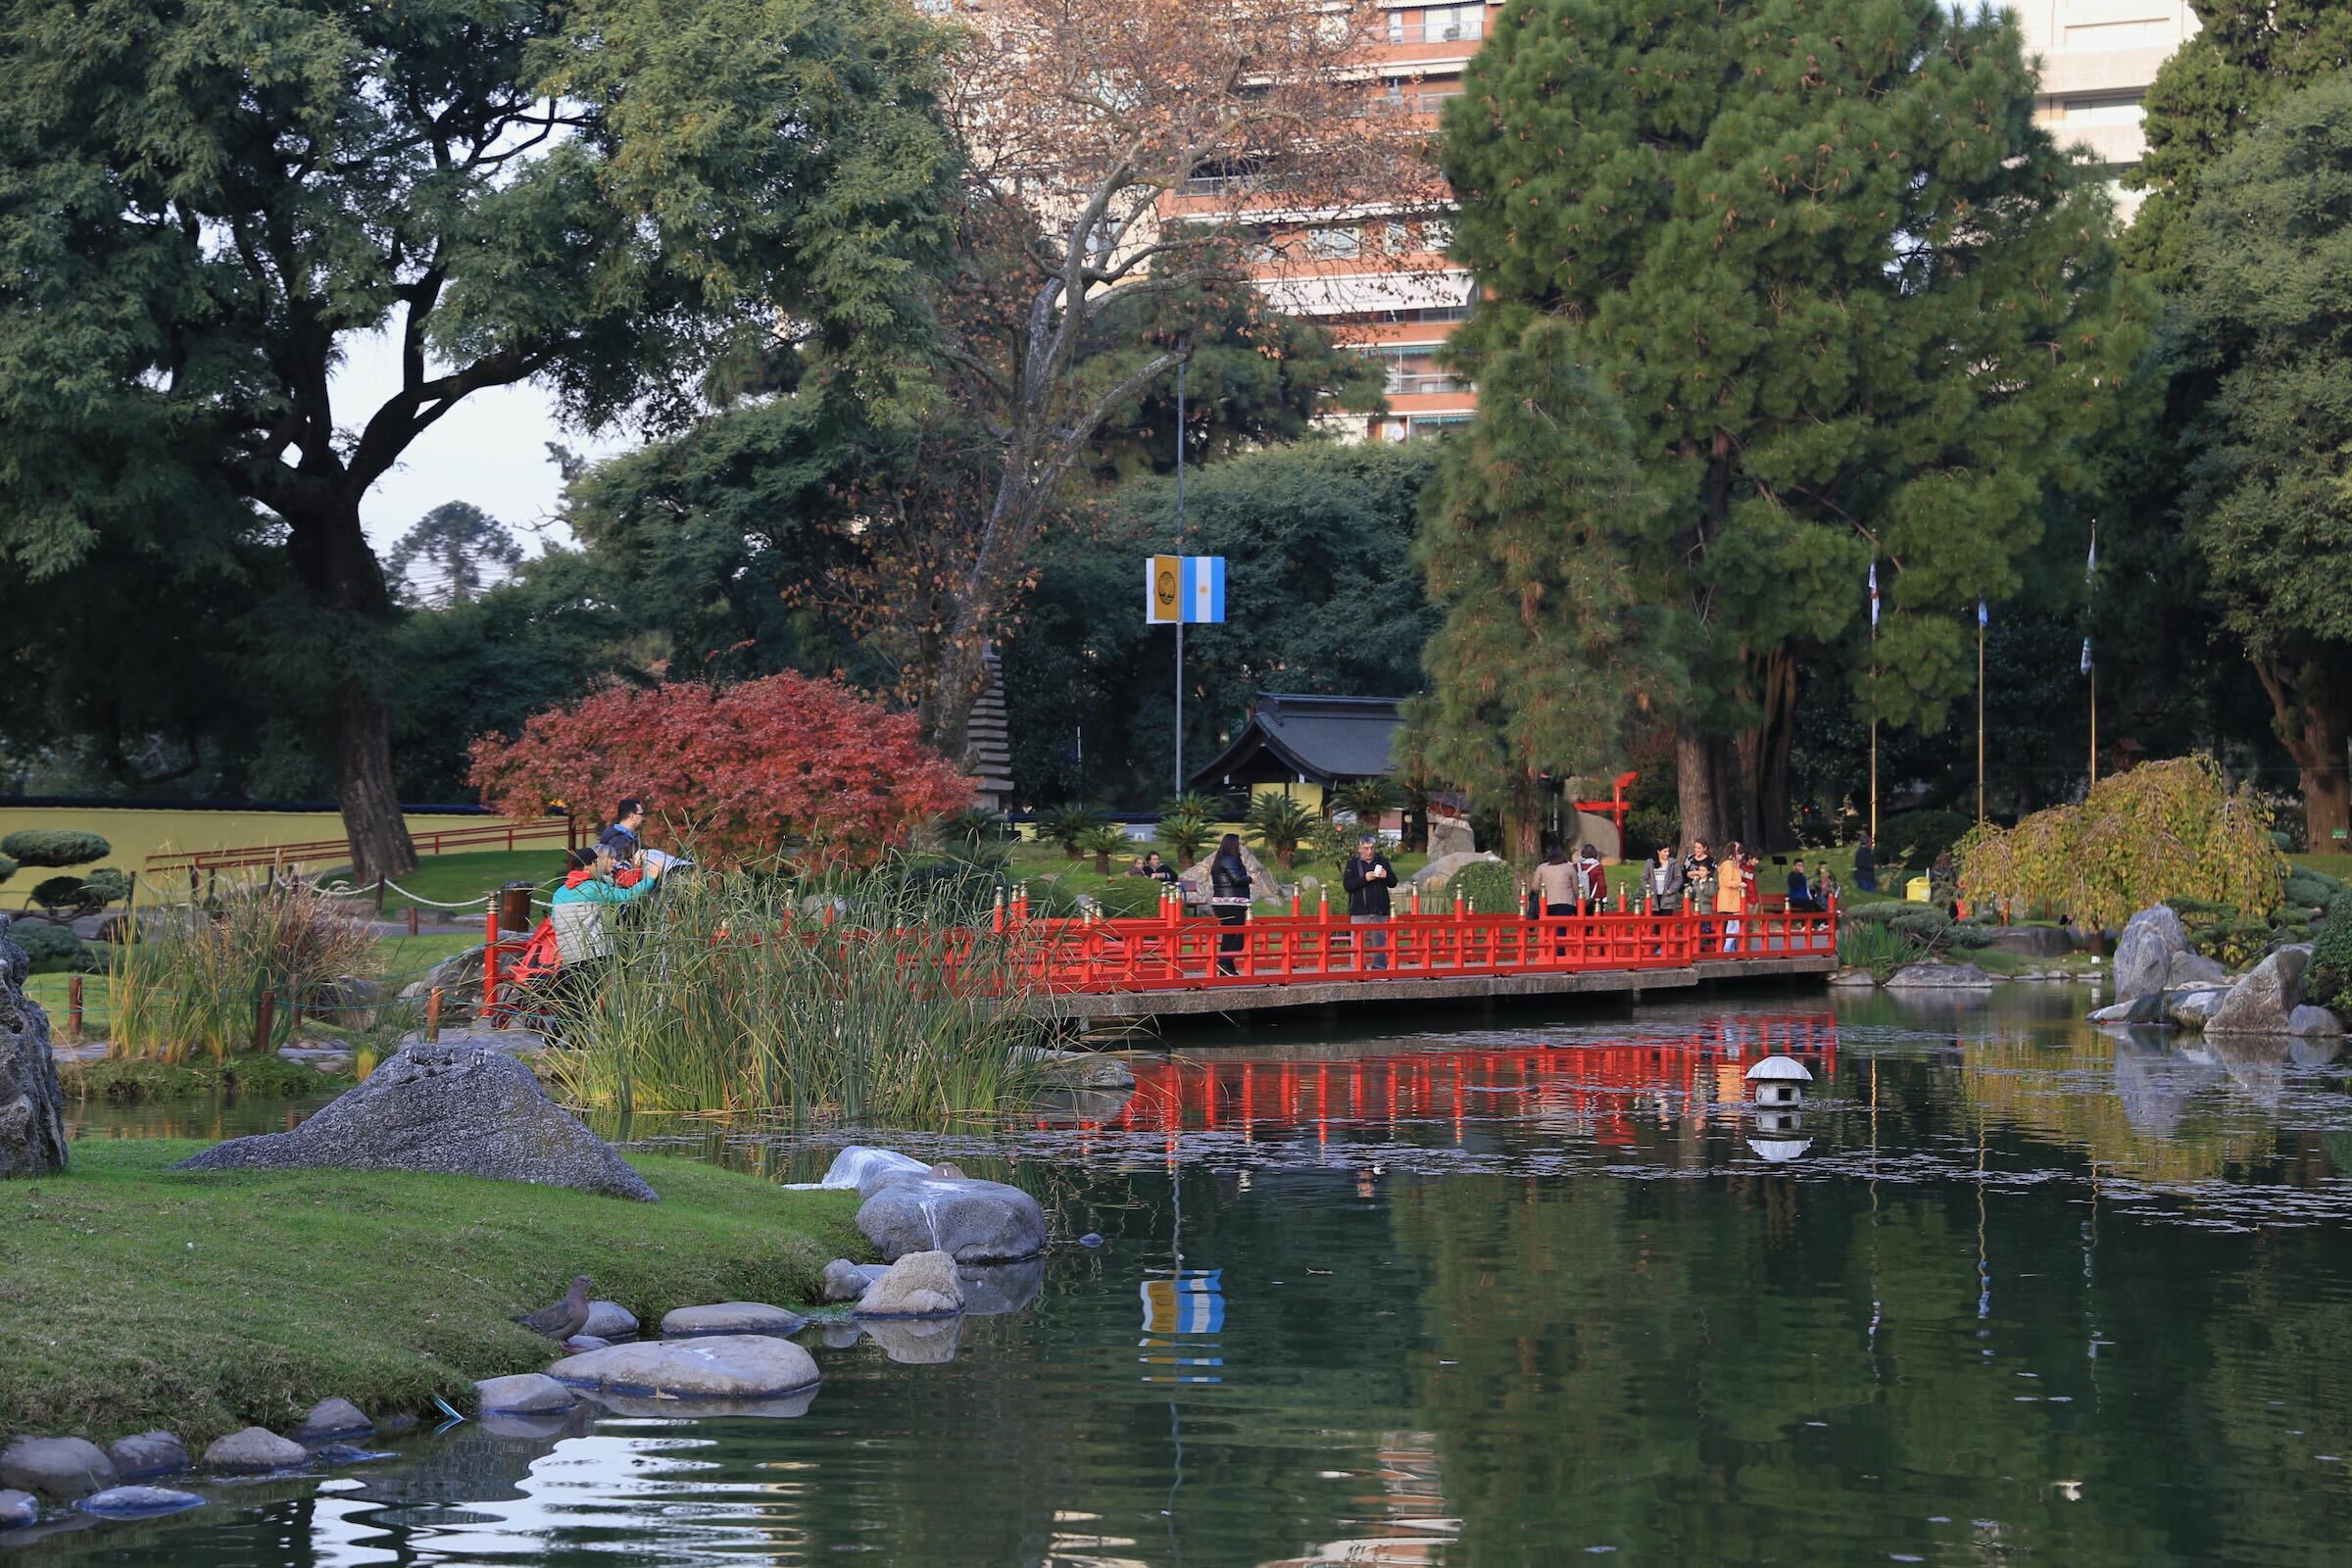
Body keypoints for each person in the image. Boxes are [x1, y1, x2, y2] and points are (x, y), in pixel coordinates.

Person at [547, 844, 665, 997]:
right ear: (590, 865)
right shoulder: (593, 888)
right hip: (594, 955)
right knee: (597, 999)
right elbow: (626, 897)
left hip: (570, 955)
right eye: (596, 863)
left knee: (579, 1001)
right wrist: (650, 879)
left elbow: (554, 921)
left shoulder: (559, 892)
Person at [1342, 832, 1397, 972]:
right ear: (1359, 849)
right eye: (1366, 848)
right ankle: (1358, 969)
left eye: (1372, 848)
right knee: (1357, 943)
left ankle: (1379, 969)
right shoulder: (1353, 863)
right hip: (1359, 910)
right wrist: (1364, 879)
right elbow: (1348, 885)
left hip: (1379, 910)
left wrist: (1386, 876)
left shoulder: (1382, 861)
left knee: (1380, 942)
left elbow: (1393, 882)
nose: (1369, 851)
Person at [1209, 833, 1252, 977]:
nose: (1241, 846)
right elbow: (1237, 879)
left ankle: (1226, 970)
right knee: (1239, 937)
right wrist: (1251, 879)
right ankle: (1224, 961)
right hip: (1232, 902)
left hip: (1224, 903)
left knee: (1229, 936)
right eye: (1239, 843)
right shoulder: (1230, 859)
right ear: (1233, 844)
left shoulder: (1221, 859)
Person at [1533, 841, 1580, 958]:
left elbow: (1534, 887)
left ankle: (1547, 951)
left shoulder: (1541, 868)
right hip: (1565, 902)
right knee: (1561, 928)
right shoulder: (1569, 868)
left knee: (1548, 928)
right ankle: (1559, 952)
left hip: (1546, 903)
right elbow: (1576, 889)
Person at [1715, 848, 1747, 953]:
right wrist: (1739, 884)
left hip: (1730, 897)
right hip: (1730, 897)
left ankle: (1730, 948)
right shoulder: (1729, 865)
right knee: (1736, 924)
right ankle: (1728, 947)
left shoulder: (1730, 864)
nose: (1741, 856)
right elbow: (1728, 882)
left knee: (1732, 924)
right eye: (1740, 854)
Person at [598, 798, 647, 864]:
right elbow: (620, 871)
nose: (643, 818)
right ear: (632, 816)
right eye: (641, 814)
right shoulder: (619, 840)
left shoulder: (626, 837)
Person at [1643, 845, 1685, 915]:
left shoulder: (1672, 863)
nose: (1667, 853)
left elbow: (1678, 878)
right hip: (1654, 897)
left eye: (1668, 851)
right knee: (1655, 923)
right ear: (1658, 852)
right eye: (1665, 851)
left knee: (1666, 922)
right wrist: (1648, 890)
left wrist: (1670, 890)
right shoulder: (1650, 863)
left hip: (1667, 897)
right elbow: (1643, 878)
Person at [1575, 843, 1607, 916]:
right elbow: (1601, 885)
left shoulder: (1575, 866)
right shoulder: (1597, 867)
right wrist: (1604, 897)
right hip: (1594, 899)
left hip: (1578, 900)